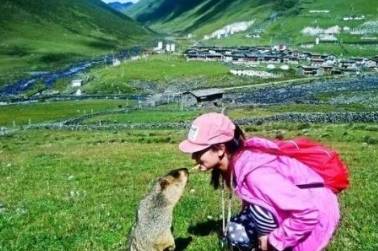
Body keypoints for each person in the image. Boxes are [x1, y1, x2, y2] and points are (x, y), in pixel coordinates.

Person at [179, 112, 340, 251]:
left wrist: (273, 241)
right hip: (304, 207)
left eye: (198, 151)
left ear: (221, 149)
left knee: (246, 224)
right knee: (237, 228)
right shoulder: (241, 161)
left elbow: (308, 213)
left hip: (316, 217)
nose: (193, 157)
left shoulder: (256, 175)